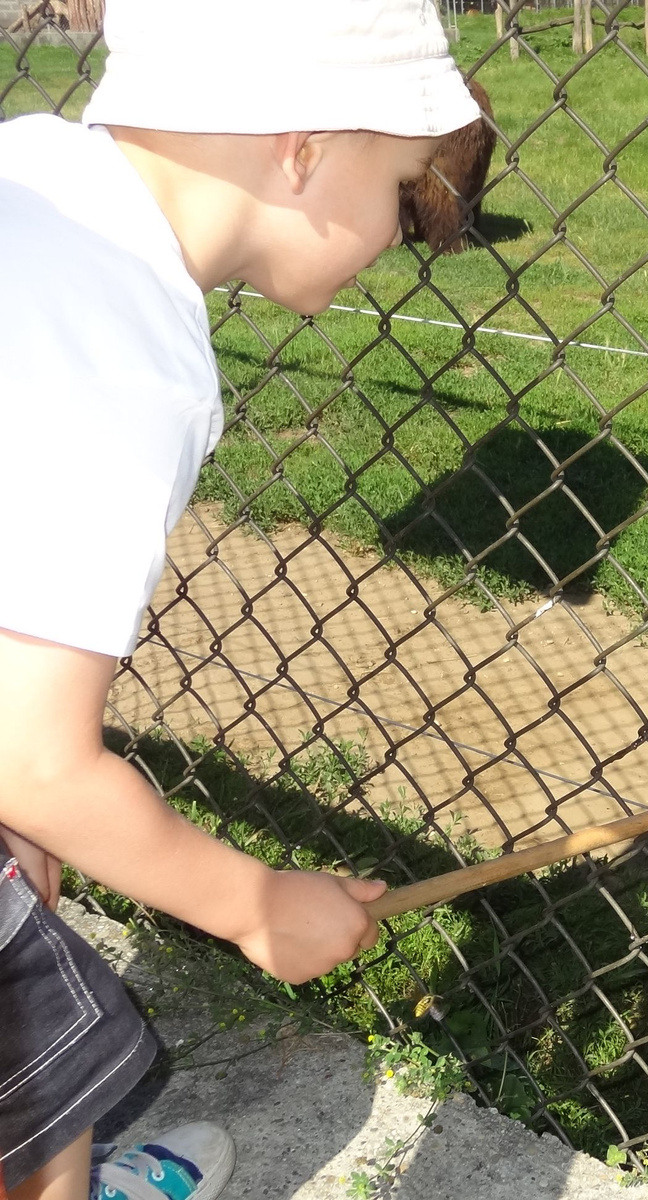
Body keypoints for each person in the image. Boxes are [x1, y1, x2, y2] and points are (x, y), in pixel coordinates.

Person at [0, 2, 483, 1196]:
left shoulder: (31, 174)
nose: (398, 233)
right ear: (305, 145)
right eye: (404, 187)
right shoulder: (126, 351)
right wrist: (256, 903)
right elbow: (33, 759)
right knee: (30, 1063)